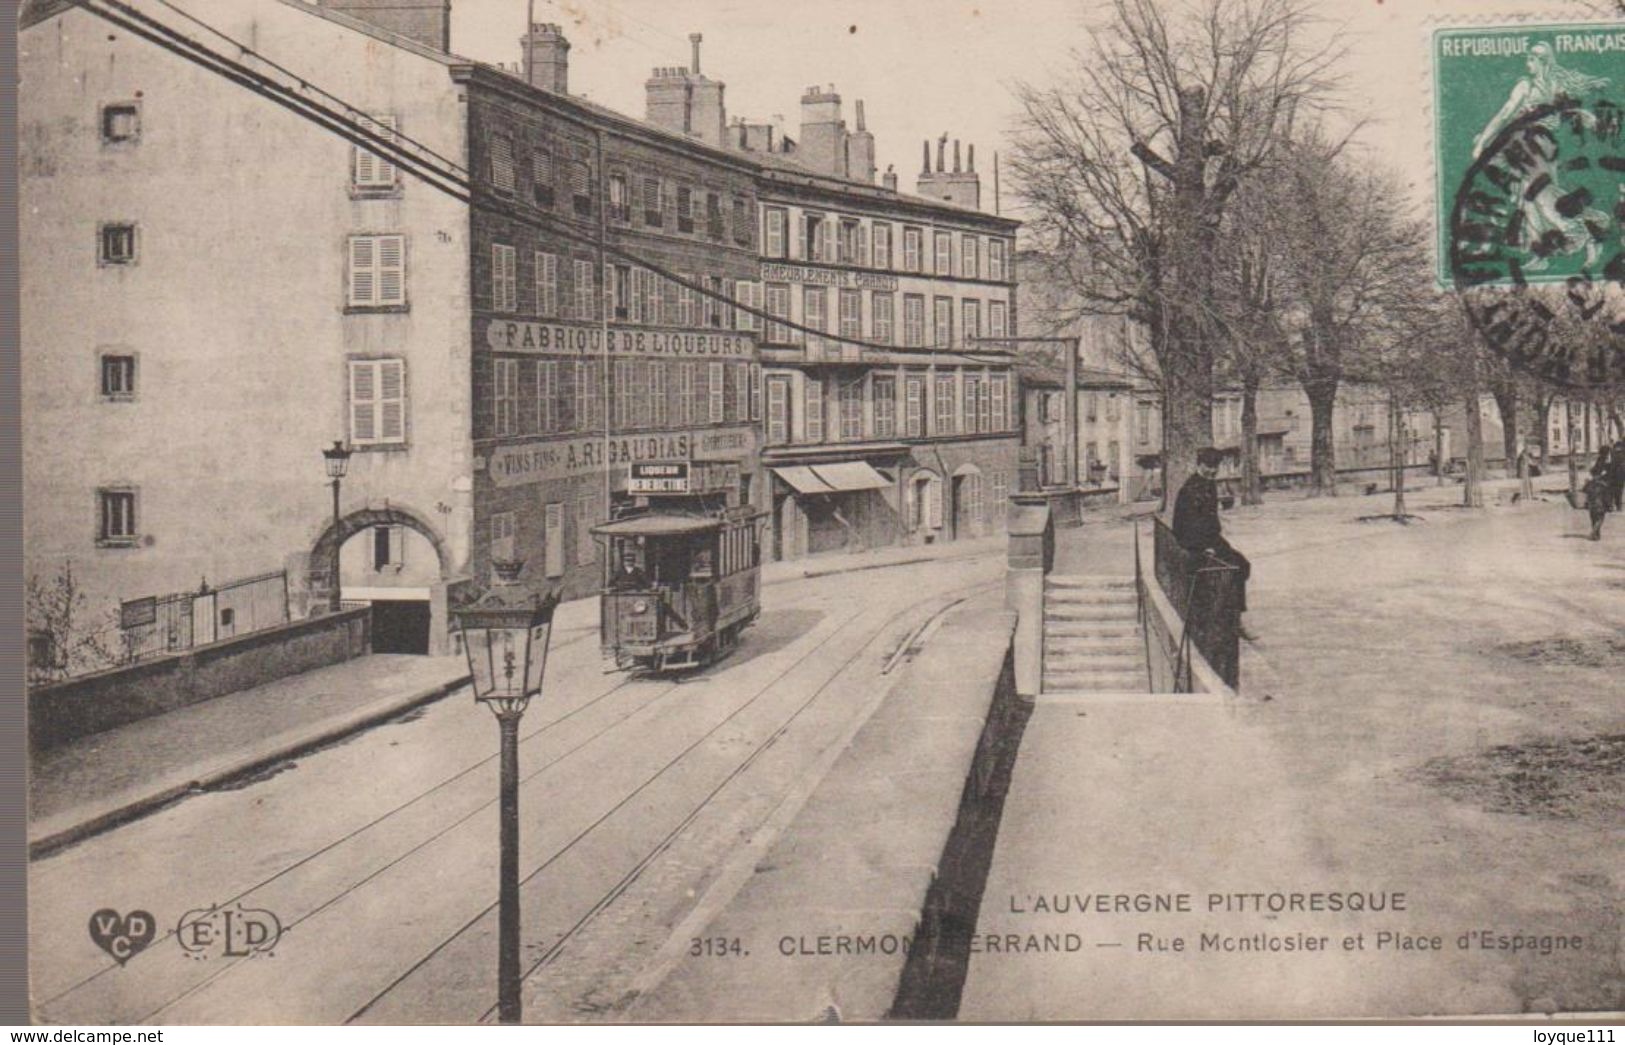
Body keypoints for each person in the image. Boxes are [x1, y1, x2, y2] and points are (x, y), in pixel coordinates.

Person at [1173, 446, 1253, 623]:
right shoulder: (1190, 489)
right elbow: (1185, 525)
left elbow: (1209, 517)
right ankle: (1230, 618)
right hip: (1195, 544)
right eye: (1209, 466)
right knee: (1232, 568)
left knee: (1243, 565)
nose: (1213, 470)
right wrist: (1204, 547)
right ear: (1200, 465)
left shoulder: (1209, 484)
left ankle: (1234, 613)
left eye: (1215, 466)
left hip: (1211, 541)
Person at [1585, 447, 1613, 541]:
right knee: (1601, 513)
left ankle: (1597, 534)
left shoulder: (1598, 461)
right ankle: (1594, 531)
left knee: (1593, 513)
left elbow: (1592, 471)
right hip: (1602, 488)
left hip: (1593, 487)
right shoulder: (1607, 463)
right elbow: (1609, 475)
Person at [1609, 439, 1625, 512]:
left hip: (1617, 473)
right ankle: (1618, 505)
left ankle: (1616, 505)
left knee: (1615, 489)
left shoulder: (1616, 453)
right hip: (1620, 472)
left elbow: (1613, 464)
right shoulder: (1619, 452)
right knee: (1619, 489)